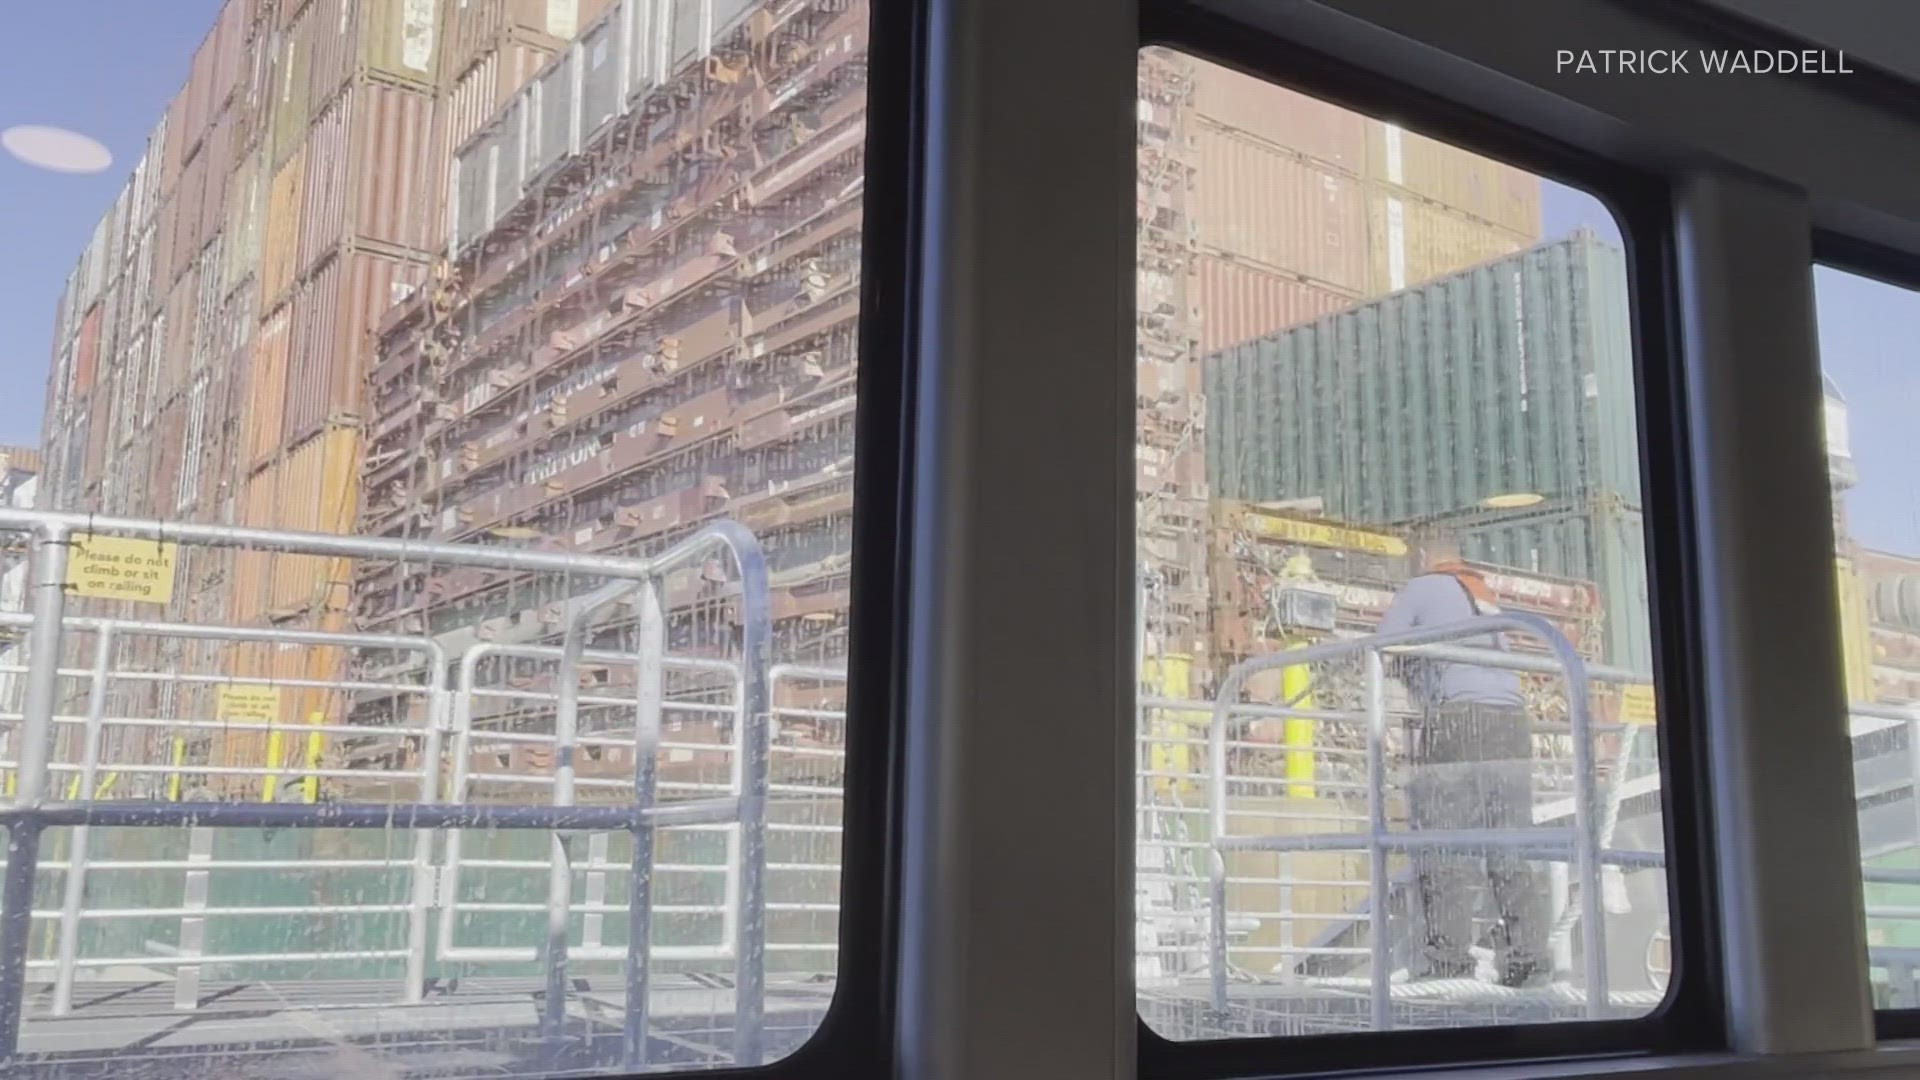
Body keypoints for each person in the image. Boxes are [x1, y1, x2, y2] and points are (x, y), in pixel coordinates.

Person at [1376, 533, 1550, 987]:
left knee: (1444, 843)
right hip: (1512, 725)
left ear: (1419, 556)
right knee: (1509, 846)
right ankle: (1527, 961)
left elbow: (1382, 648)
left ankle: (1447, 964)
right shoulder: (1484, 597)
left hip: (1458, 719)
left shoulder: (1421, 588)